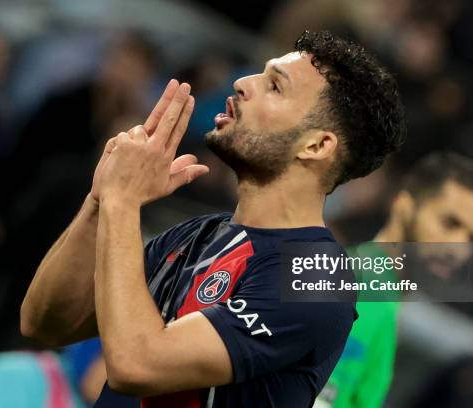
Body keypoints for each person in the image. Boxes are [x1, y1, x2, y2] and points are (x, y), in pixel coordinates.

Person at [20, 30, 406, 407]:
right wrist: (100, 200)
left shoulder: (315, 278)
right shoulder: (196, 235)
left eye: (275, 86)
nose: (242, 83)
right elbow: (47, 323)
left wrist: (123, 201)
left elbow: (136, 365)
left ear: (317, 145)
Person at [318, 151, 473, 408]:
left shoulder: (386, 298)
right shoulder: (348, 282)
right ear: (404, 206)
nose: (459, 248)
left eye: (472, 237)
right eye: (449, 223)